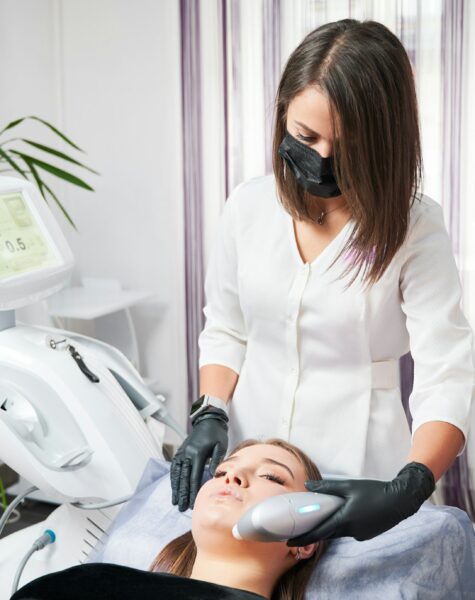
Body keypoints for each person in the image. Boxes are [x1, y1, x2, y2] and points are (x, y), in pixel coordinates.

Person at [170, 17, 474, 548]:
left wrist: (410, 484)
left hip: (362, 471)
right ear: (283, 115)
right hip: (252, 457)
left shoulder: (415, 224)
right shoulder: (248, 206)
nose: (323, 158)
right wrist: (211, 411)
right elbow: (226, 329)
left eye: (348, 144)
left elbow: (447, 372)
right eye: (306, 136)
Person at [11, 439, 328, 600]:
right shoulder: (93, 583)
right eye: (221, 472)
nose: (234, 475)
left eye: (271, 476)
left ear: (305, 541)